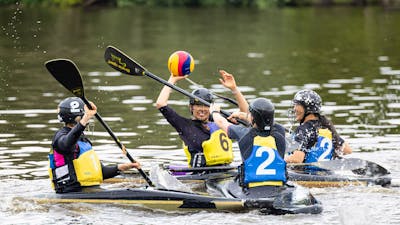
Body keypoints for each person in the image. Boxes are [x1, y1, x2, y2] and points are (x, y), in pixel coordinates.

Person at [48, 97, 141, 193]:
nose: (88, 120)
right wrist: (85, 119)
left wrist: (124, 167)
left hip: (88, 189)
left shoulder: (82, 139)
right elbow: (66, 144)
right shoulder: (60, 137)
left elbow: (101, 172)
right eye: (84, 116)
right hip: (70, 191)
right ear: (78, 117)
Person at [209, 97, 288, 198]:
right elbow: (265, 122)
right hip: (279, 189)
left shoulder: (243, 133)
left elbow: (221, 122)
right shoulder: (280, 131)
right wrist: (244, 116)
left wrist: (214, 111)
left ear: (253, 118)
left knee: (221, 185)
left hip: (252, 191)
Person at [155, 75, 233, 168]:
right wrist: (172, 79)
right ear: (191, 107)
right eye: (198, 105)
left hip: (226, 171)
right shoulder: (185, 126)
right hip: (200, 177)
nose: (202, 109)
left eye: (206, 105)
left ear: (211, 107)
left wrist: (234, 89)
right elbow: (161, 104)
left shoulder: (220, 121)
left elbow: (247, 117)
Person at [284, 89, 352, 164]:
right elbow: (347, 150)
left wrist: (280, 160)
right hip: (328, 174)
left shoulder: (303, 130)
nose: (294, 108)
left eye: (297, 104)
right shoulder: (326, 127)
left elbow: (297, 159)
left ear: (307, 108)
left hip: (306, 174)